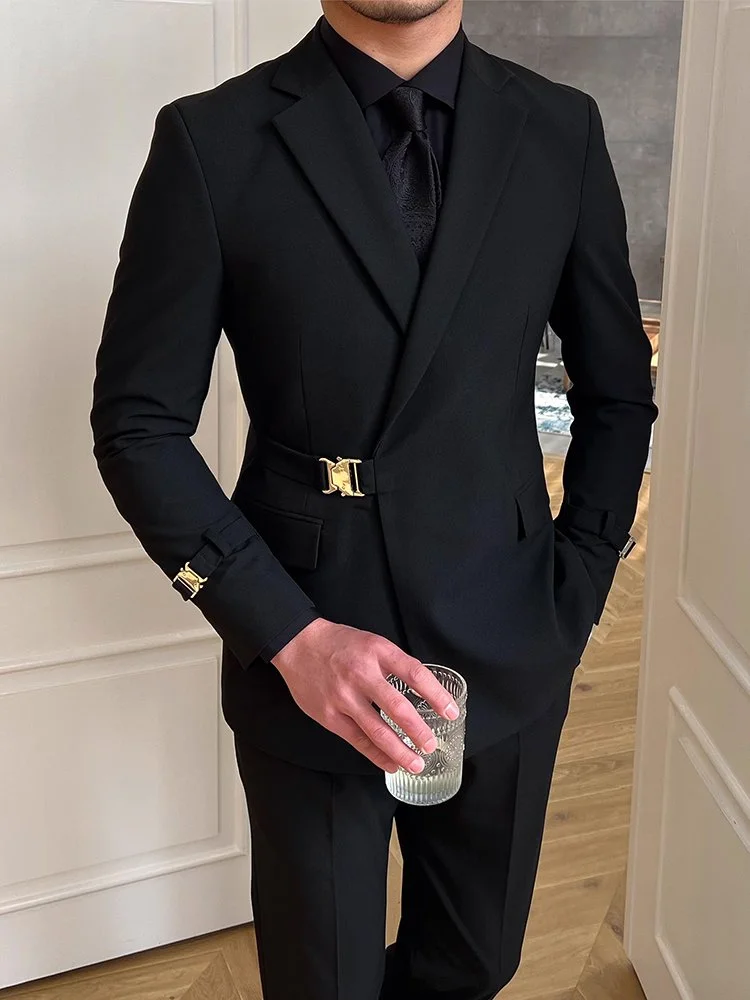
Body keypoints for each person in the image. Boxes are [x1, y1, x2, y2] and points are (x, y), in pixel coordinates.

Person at [90, 1, 658, 997]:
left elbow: (617, 392)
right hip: (309, 635)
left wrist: (577, 588)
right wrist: (286, 635)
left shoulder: (560, 128)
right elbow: (137, 426)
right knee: (324, 980)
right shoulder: (212, 139)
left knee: (477, 960)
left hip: (510, 625)